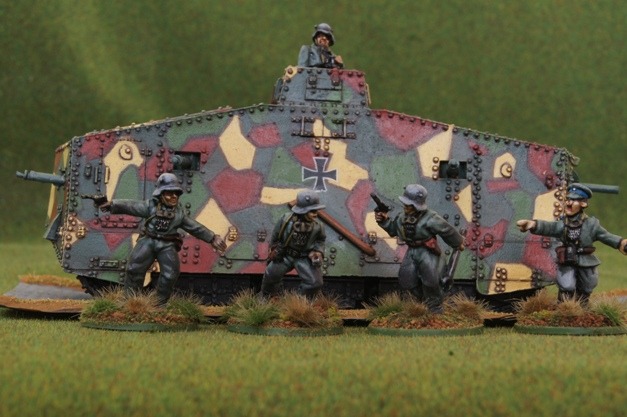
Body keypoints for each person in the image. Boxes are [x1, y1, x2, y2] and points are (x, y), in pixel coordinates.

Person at [99, 173, 226, 304]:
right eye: (169, 193)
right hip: (148, 241)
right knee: (133, 269)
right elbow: (131, 206)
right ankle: (130, 302)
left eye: (176, 193)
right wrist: (112, 205)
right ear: (161, 194)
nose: (174, 196)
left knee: (170, 274)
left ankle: (159, 303)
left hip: (167, 245)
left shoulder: (179, 214)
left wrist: (212, 238)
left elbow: (195, 227)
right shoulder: (150, 207)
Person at [517, 183, 626, 304]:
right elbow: (549, 227)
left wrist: (621, 243)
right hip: (567, 259)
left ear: (583, 203)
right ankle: (564, 306)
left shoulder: (591, 225)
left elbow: (606, 236)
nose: (569, 202)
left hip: (586, 259)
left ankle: (582, 305)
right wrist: (533, 224)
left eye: (573, 200)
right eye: (568, 199)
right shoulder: (562, 224)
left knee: (588, 284)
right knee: (567, 285)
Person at [375, 184, 464, 313]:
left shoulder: (431, 218)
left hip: (427, 251)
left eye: (409, 205)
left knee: (431, 280)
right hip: (412, 251)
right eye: (405, 204)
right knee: (407, 279)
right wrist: (384, 221)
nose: (406, 207)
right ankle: (419, 304)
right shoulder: (401, 217)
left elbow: (447, 231)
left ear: (416, 205)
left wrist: (458, 243)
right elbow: (393, 230)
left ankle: (435, 308)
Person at [261, 190, 326, 298]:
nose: (315, 214)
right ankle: (267, 298)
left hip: (304, 257)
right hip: (285, 255)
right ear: (303, 211)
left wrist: (318, 252)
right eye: (312, 211)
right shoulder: (286, 220)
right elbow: (275, 235)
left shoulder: (318, 226)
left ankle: (299, 301)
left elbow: (320, 240)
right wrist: (273, 250)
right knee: (270, 275)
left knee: (315, 283)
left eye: (316, 210)